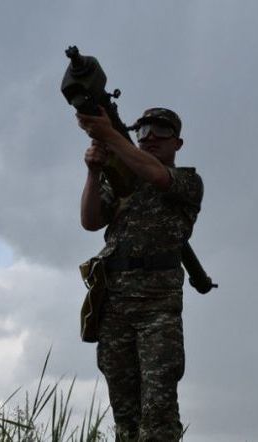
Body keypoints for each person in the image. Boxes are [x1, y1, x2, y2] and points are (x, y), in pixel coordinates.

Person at [77, 107, 203, 441]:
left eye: (161, 131)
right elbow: (90, 221)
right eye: (143, 130)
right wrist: (93, 172)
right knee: (125, 414)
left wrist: (109, 135)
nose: (150, 137)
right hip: (114, 305)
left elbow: (158, 176)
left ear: (178, 142)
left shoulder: (187, 182)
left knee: (158, 412)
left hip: (157, 308)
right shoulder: (122, 183)